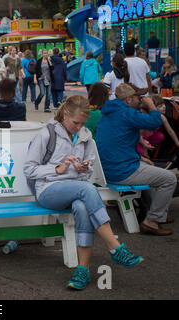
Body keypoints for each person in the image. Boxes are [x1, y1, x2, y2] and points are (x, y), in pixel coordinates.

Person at [23, 95, 144, 290]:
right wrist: (57, 169)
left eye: (82, 123)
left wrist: (83, 168)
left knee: (81, 207)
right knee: (86, 190)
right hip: (48, 191)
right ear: (64, 114)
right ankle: (115, 247)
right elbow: (29, 169)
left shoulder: (86, 135)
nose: (79, 127)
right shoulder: (47, 134)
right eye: (75, 122)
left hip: (76, 191)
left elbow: (88, 168)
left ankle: (82, 271)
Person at [96, 83, 176, 236]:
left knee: (156, 175)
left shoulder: (109, 113)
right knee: (169, 179)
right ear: (128, 99)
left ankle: (157, 215)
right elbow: (155, 122)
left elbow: (117, 143)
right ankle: (152, 221)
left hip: (109, 168)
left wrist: (139, 157)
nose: (140, 99)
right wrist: (151, 104)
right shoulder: (126, 113)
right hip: (121, 171)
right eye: (138, 97)